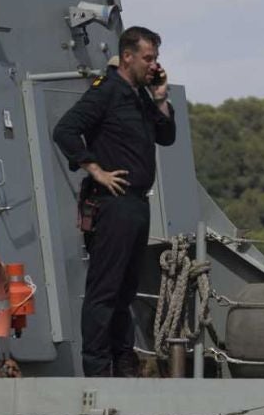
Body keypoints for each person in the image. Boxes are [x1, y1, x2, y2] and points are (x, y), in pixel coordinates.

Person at [51, 26, 176, 377]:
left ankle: (124, 362)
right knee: (104, 291)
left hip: (137, 203)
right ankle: (96, 368)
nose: (153, 65)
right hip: (112, 203)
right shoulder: (106, 92)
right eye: (148, 58)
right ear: (128, 57)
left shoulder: (139, 96)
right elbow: (65, 130)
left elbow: (167, 136)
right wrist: (95, 170)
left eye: (156, 59)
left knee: (126, 289)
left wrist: (161, 96)